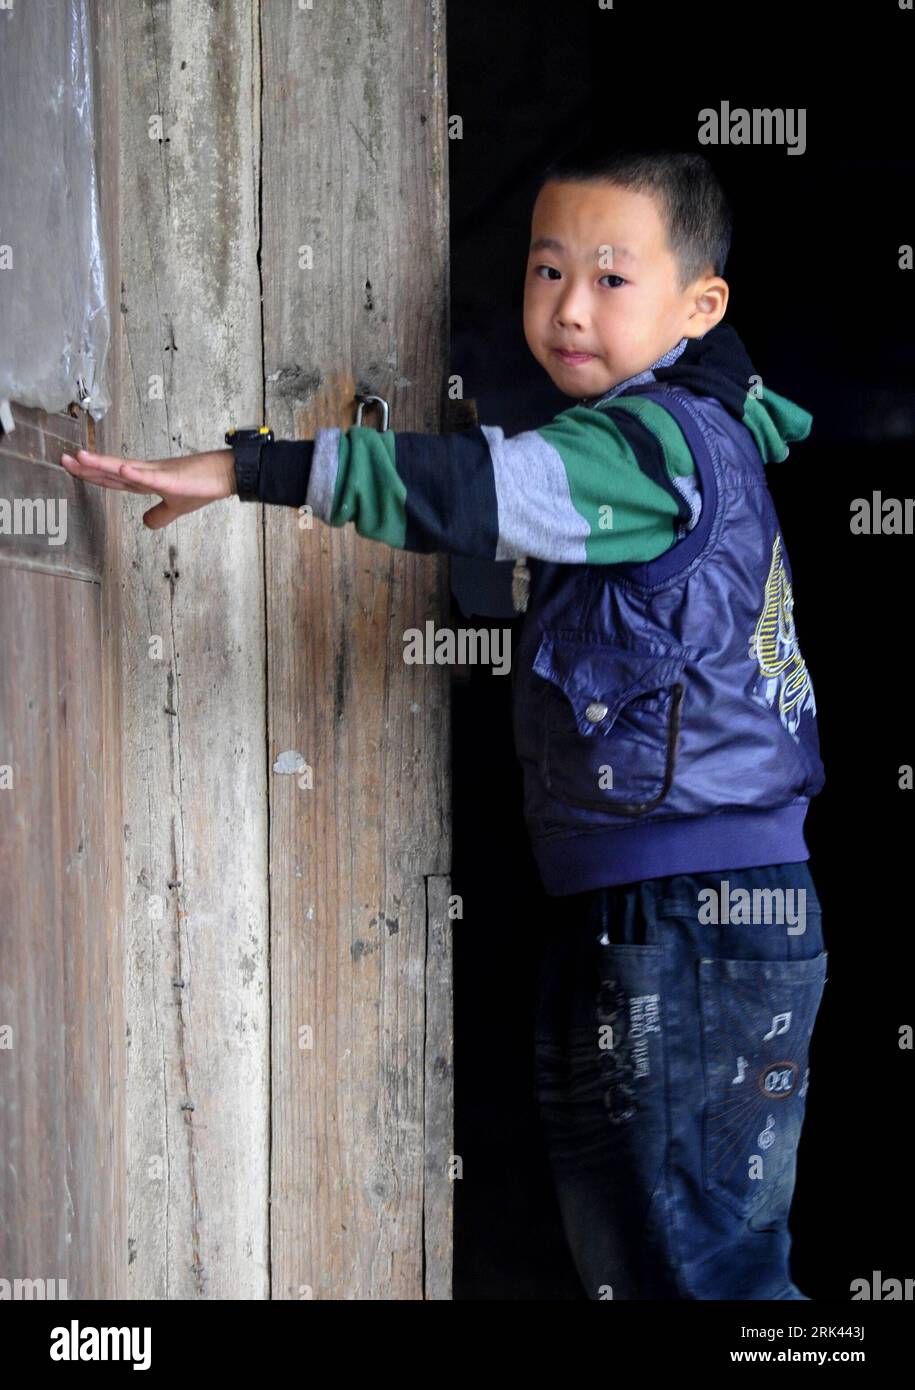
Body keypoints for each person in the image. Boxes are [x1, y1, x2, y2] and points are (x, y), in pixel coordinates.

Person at [60, 143, 828, 1300]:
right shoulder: (678, 431)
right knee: (656, 1272)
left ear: (698, 304)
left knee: (707, 1281)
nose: (568, 307)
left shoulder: (652, 447)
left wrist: (245, 467)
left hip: (691, 917)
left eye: (612, 279)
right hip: (660, 905)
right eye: (546, 269)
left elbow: (476, 492)